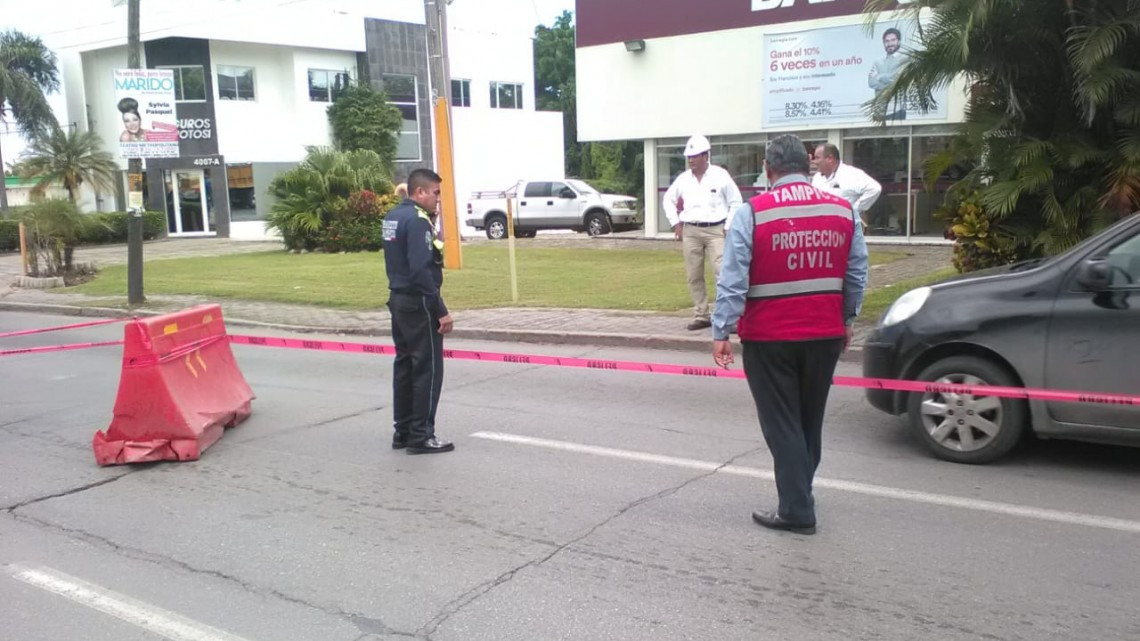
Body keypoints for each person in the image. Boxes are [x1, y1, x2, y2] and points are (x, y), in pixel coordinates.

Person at [712, 134, 869, 535]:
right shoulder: (843, 210)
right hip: (824, 334)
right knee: (808, 421)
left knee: (782, 424)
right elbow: (855, 274)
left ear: (768, 170)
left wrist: (722, 330)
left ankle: (797, 510)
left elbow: (733, 278)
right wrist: (848, 319)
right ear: (809, 166)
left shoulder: (753, 212)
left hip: (770, 337)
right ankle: (800, 493)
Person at [382, 168, 456, 455]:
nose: (438, 199)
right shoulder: (416, 221)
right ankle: (421, 435)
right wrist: (441, 310)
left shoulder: (393, 216)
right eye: (435, 193)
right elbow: (420, 270)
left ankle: (402, 430)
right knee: (427, 369)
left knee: (405, 367)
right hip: (418, 303)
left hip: (398, 300)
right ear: (420, 192)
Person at [662, 134, 743, 331]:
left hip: (716, 229)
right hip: (691, 230)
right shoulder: (683, 179)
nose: (691, 160)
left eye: (695, 156)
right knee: (694, 274)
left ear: (706, 156)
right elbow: (668, 200)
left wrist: (728, 226)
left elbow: (736, 201)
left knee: (722, 273)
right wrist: (676, 224)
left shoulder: (720, 175)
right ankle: (701, 314)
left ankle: (728, 316)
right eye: (689, 156)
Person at [811, 144, 882, 231]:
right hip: (823, 230)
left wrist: (854, 210)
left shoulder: (850, 174)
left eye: (817, 158)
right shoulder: (817, 178)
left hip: (846, 229)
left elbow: (874, 189)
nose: (814, 161)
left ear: (830, 158)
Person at [868, 28, 907, 120]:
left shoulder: (904, 59)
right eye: (887, 41)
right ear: (884, 43)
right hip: (878, 112)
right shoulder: (877, 62)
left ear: (899, 41)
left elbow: (897, 83)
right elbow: (871, 82)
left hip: (896, 111)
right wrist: (883, 77)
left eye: (893, 40)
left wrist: (878, 77)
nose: (890, 44)